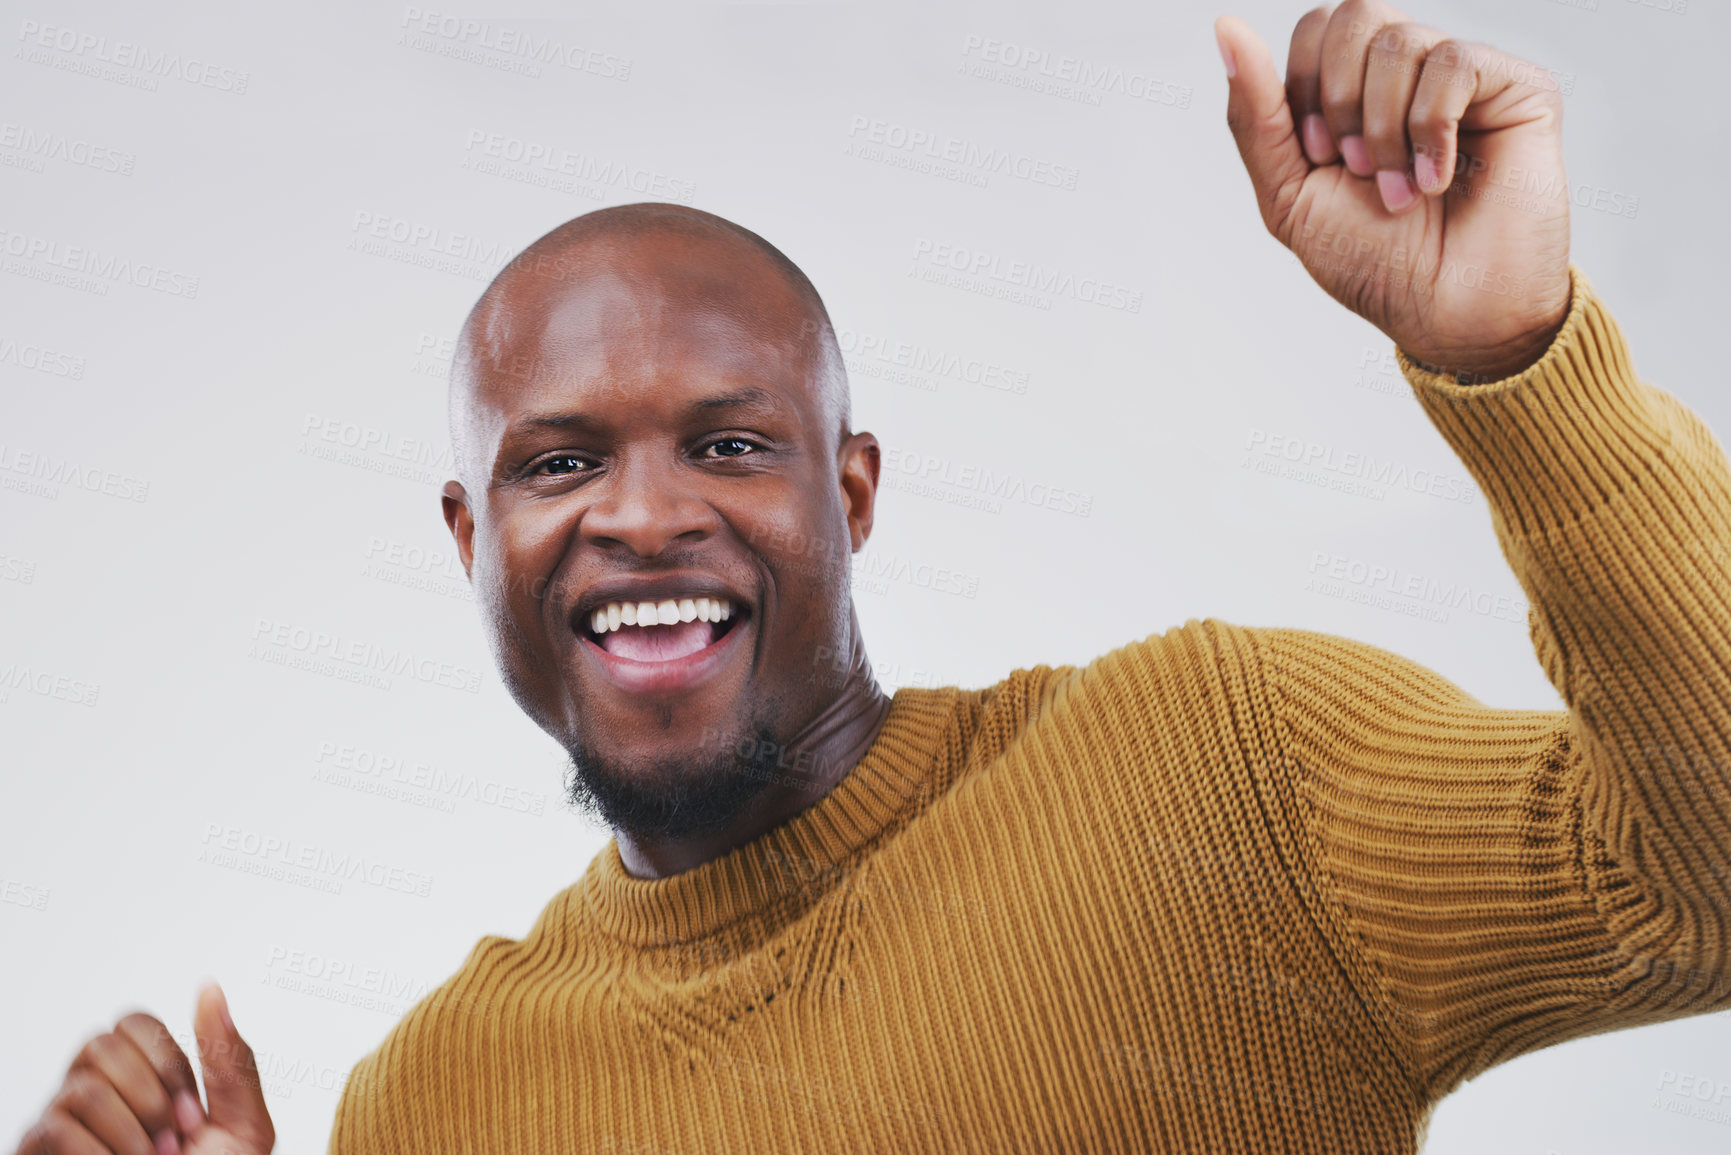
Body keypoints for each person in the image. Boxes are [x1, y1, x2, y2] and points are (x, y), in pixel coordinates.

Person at [18, 4, 1731, 1153]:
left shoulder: (1226, 771)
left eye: (730, 444)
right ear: (475, 545)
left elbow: (1701, 885)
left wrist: (1518, 357)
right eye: (558, 464)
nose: (640, 515)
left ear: (852, 493)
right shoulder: (442, 1098)